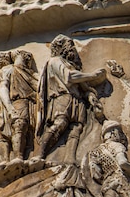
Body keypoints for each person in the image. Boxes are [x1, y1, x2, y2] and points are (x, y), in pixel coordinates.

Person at [37, 34, 106, 163]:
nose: (72, 50)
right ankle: (40, 154)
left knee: (76, 128)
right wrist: (92, 75)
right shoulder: (55, 61)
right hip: (62, 97)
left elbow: (83, 87)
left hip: (77, 100)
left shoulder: (71, 65)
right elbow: (69, 77)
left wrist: (89, 95)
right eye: (69, 46)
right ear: (61, 47)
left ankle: (70, 158)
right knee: (60, 123)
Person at [0, 49, 38, 162]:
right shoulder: (8, 69)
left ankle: (21, 158)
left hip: (26, 102)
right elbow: (3, 88)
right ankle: (17, 157)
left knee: (27, 130)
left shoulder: (25, 72)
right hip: (16, 101)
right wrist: (10, 108)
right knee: (19, 126)